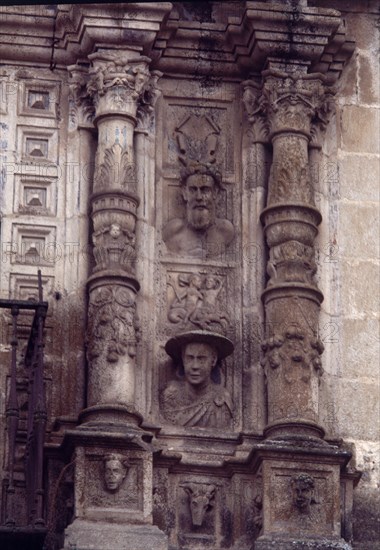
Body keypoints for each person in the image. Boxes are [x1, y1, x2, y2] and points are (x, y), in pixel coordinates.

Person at [161, 331, 234, 429]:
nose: (195, 366)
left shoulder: (222, 399)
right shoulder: (170, 396)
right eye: (190, 358)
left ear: (213, 360)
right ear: (183, 359)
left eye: (201, 359)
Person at [162, 164, 235, 258]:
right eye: (193, 190)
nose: (199, 197)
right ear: (185, 193)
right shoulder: (172, 232)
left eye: (205, 190)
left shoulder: (225, 231)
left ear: (215, 193)